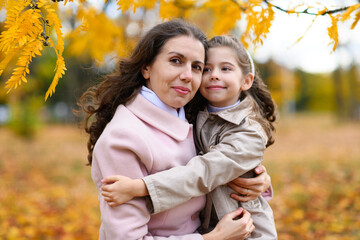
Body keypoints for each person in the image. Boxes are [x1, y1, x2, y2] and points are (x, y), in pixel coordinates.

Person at [78, 20, 270, 239]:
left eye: (197, 67)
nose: (188, 75)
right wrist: (214, 238)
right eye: (176, 61)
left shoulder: (190, 116)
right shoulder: (123, 138)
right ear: (146, 67)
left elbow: (214, 165)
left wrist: (256, 179)